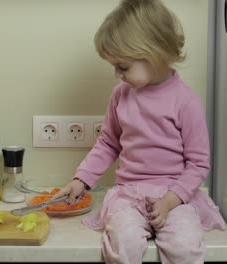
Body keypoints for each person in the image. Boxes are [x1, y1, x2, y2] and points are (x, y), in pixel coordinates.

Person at [53, 0, 225, 263]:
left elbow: (198, 164)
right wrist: (81, 180)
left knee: (184, 248)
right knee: (124, 243)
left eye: (122, 67)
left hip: (175, 195)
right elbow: (108, 143)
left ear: (154, 53)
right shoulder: (120, 96)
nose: (116, 74)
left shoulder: (186, 101)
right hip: (128, 193)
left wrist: (169, 201)